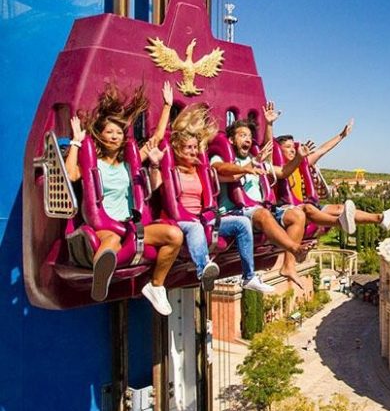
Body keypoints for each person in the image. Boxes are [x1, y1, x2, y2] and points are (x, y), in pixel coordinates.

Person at [65, 81, 184, 316]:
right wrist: (77, 142)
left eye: (119, 133)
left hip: (130, 225)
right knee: (110, 243)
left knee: (174, 235)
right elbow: (70, 174)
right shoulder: (94, 165)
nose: (115, 137)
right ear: (100, 135)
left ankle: (156, 286)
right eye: (110, 132)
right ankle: (101, 281)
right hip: (105, 227)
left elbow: (156, 139)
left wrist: (167, 106)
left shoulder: (130, 164)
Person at [209, 108, 319, 291]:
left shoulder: (255, 157)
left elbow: (283, 171)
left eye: (249, 136)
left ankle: (288, 265)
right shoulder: (220, 157)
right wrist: (248, 166)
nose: (247, 139)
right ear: (231, 140)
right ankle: (295, 248)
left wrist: (299, 158)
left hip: (260, 210)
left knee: (297, 215)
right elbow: (221, 169)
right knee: (261, 214)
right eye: (242, 135)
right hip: (235, 212)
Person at [168, 104, 272, 294]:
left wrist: (252, 164)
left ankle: (249, 277)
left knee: (242, 223)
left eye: (194, 148)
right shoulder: (172, 169)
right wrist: (168, 108)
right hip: (185, 220)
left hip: (204, 218)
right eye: (188, 148)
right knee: (196, 227)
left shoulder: (201, 168)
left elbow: (230, 175)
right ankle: (203, 268)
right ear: (177, 149)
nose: (192, 151)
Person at [267, 107, 390, 232]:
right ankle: (340, 222)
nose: (293, 149)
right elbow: (269, 147)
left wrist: (342, 135)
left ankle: (381, 218)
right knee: (310, 209)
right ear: (280, 150)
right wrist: (270, 124)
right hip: (291, 209)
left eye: (293, 146)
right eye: (288, 147)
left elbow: (322, 150)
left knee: (340, 208)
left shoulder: (302, 162)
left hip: (307, 205)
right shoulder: (277, 166)